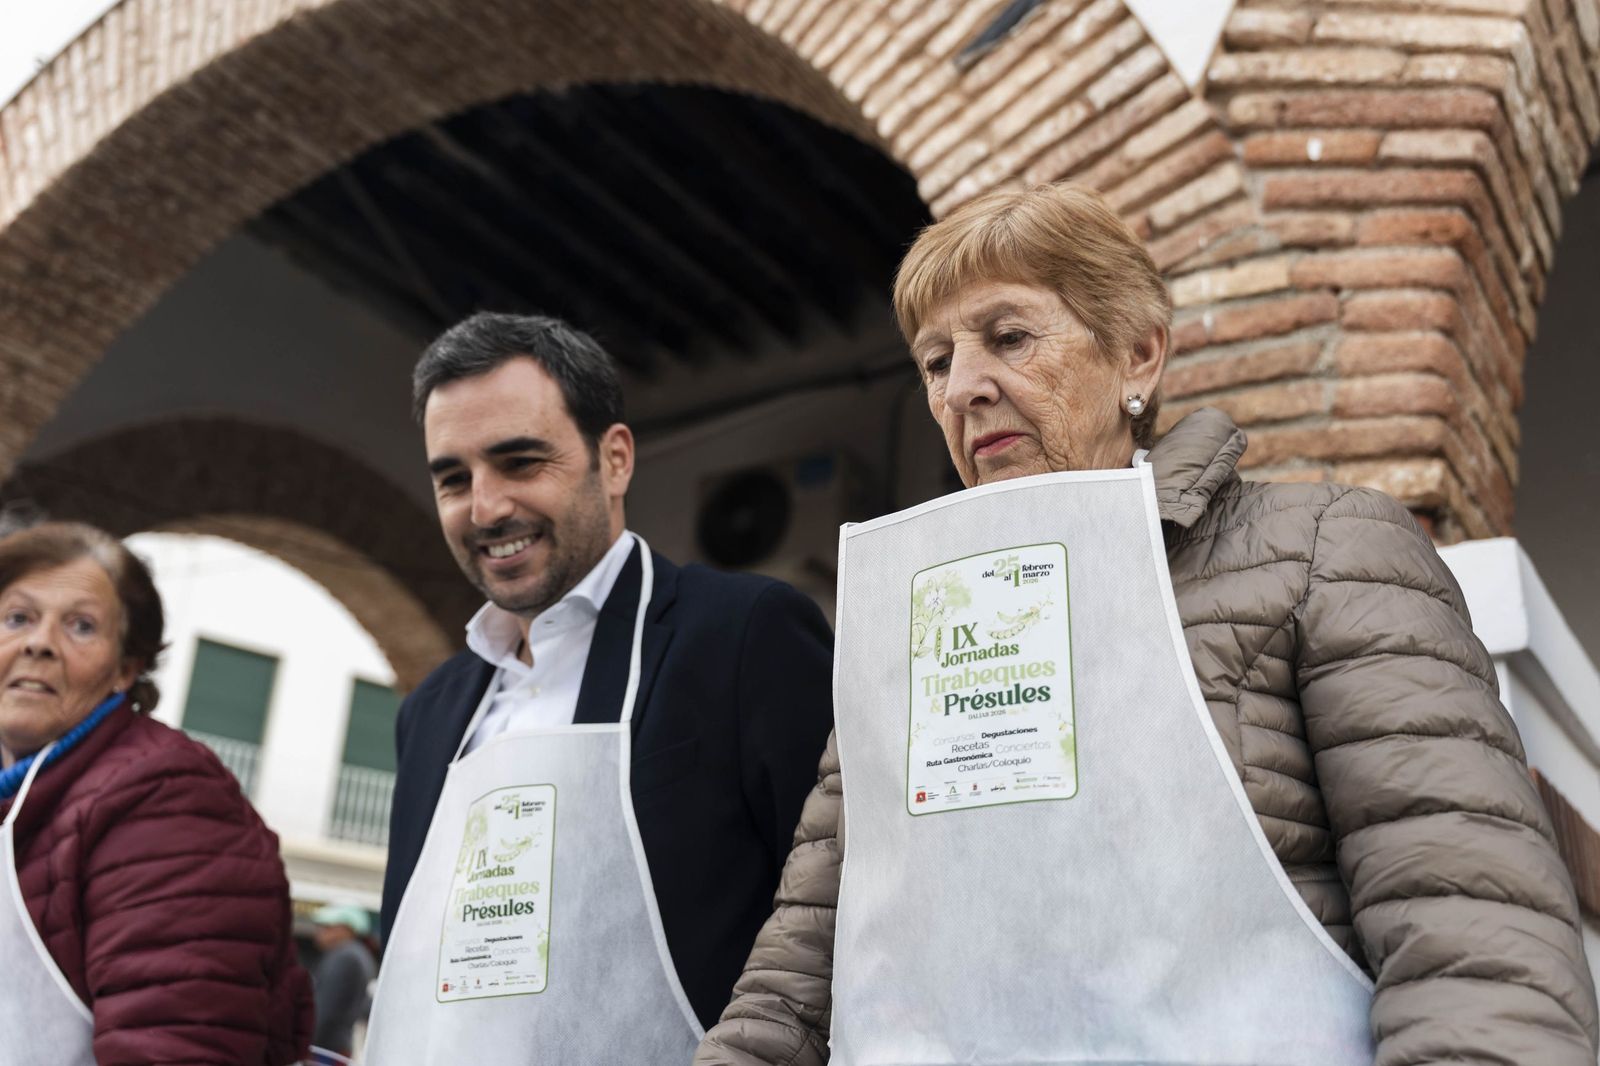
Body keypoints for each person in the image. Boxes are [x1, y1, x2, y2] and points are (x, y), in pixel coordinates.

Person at [697, 183, 1600, 1066]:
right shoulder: (911, 635)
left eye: (1009, 337)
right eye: (936, 363)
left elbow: (1471, 940)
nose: (964, 387)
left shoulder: (1322, 548)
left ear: (1138, 356)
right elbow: (793, 977)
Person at [367, 312, 835, 1062]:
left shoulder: (742, 636)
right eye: (453, 479)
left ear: (613, 459)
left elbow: (837, 918)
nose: (484, 508)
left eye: (519, 462)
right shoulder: (430, 711)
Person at [0, 521, 312, 1065]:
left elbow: (178, 1045)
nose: (38, 643)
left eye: (80, 626)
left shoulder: (167, 799)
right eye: (17, 617)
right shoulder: (18, 794)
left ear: (125, 669)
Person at [310, 903, 377, 1059]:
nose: (320, 932)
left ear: (347, 929)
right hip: (336, 1046)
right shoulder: (357, 954)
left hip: (326, 1048)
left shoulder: (345, 956)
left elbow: (325, 1009)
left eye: (328, 926)